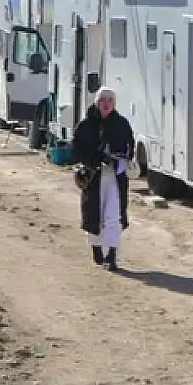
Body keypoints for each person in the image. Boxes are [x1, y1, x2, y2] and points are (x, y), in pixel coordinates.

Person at [73, 87, 133, 272]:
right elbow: (78, 150)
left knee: (113, 215)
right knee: (94, 214)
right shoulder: (85, 125)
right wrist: (95, 159)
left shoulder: (122, 124)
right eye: (103, 100)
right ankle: (97, 248)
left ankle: (111, 255)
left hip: (115, 177)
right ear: (97, 102)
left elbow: (129, 147)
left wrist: (122, 159)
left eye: (110, 100)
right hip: (93, 178)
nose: (106, 103)